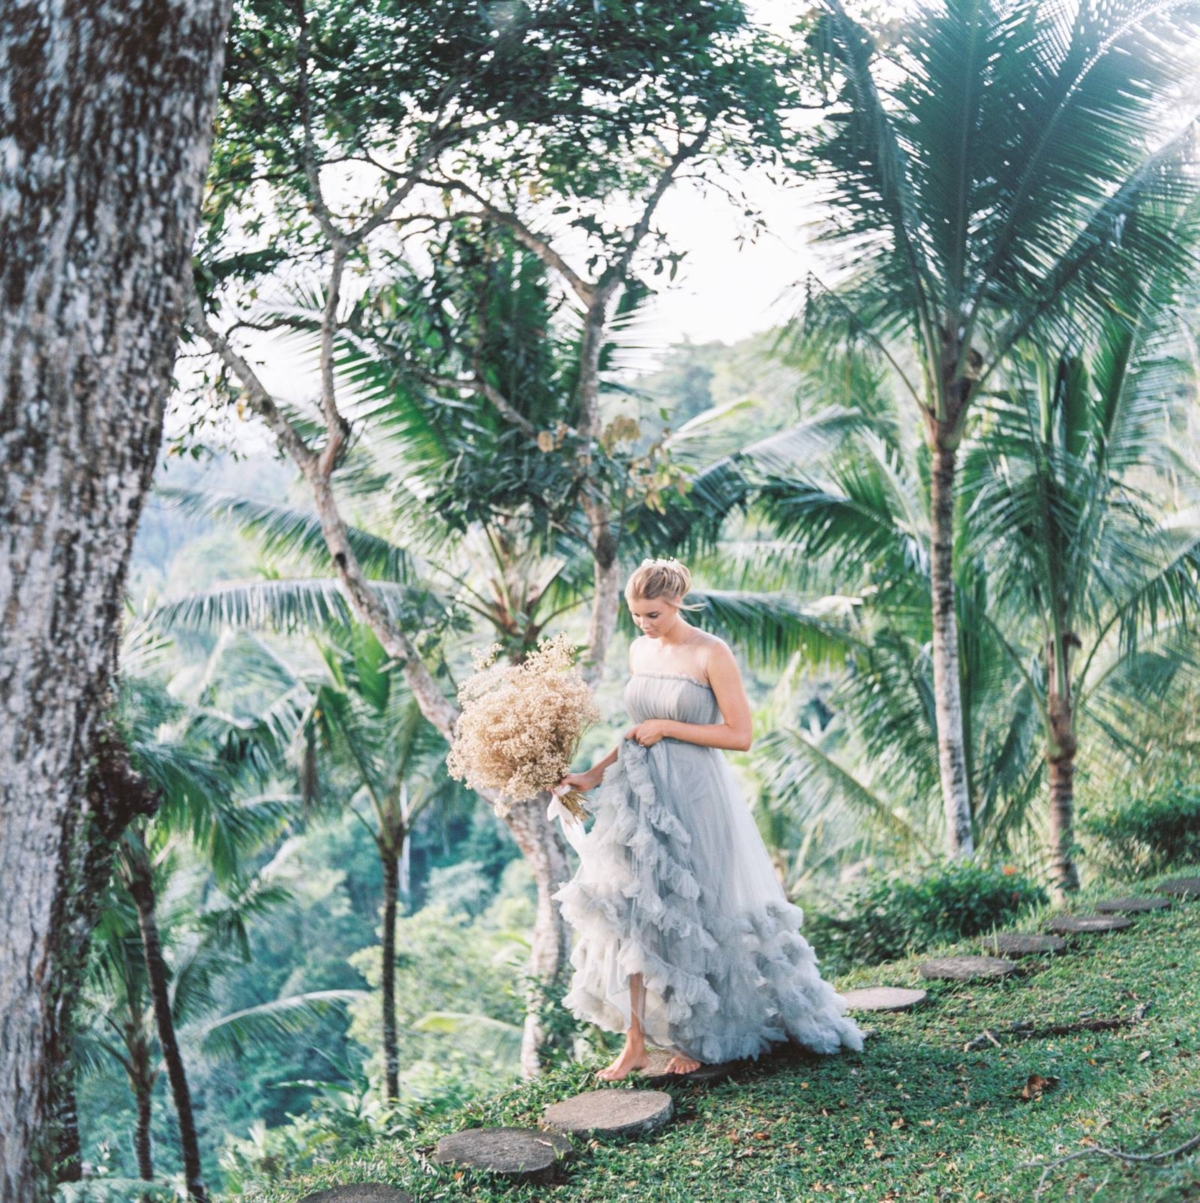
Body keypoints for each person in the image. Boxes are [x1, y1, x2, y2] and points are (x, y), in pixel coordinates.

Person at [551, 557, 865, 1081]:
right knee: (630, 911)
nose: (644, 625)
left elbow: (739, 735)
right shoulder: (639, 648)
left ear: (676, 602)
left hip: (695, 794)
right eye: (635, 615)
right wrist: (591, 775)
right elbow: (636, 729)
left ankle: (696, 1034)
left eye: (652, 614)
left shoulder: (711, 653)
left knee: (693, 911)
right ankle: (634, 1043)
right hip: (638, 796)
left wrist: (669, 726)